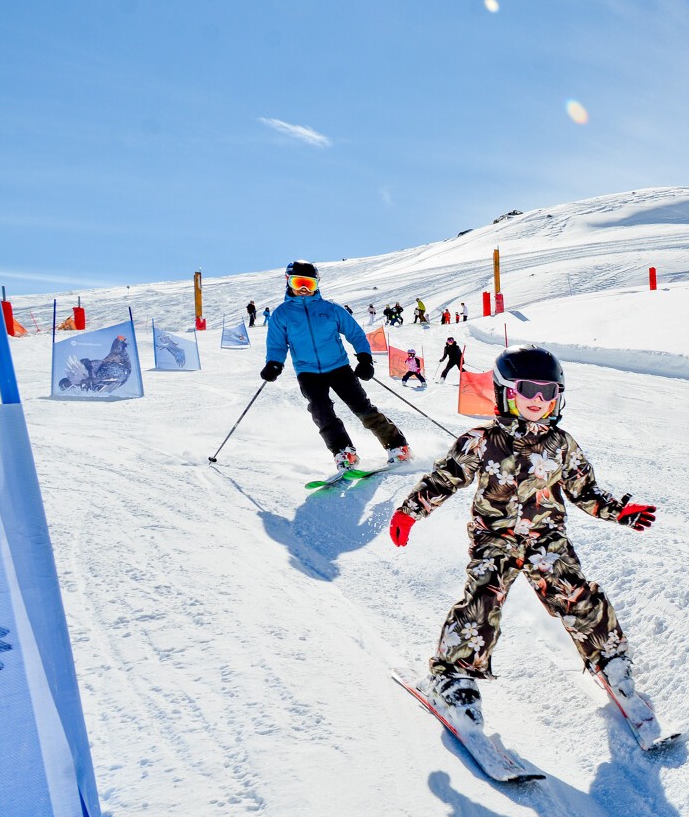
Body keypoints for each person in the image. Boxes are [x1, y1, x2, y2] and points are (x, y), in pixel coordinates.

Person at [387, 346, 662, 741]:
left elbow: (585, 490)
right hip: (494, 537)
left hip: (546, 538)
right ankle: (453, 678)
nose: (538, 399)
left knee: (574, 592)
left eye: (548, 392)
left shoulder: (562, 444)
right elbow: (444, 478)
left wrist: (618, 510)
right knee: (483, 597)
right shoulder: (480, 441)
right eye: (528, 389)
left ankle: (610, 659)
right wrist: (410, 511)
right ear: (505, 392)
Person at [260, 261, 412, 469]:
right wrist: (274, 364)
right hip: (307, 372)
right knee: (321, 412)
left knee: (361, 407)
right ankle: (343, 451)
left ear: (317, 285)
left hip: (339, 367)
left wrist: (365, 358)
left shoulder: (330, 309)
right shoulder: (282, 314)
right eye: (299, 283)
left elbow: (355, 334)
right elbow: (277, 344)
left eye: (309, 284)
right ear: (288, 282)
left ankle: (397, 446)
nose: (304, 289)